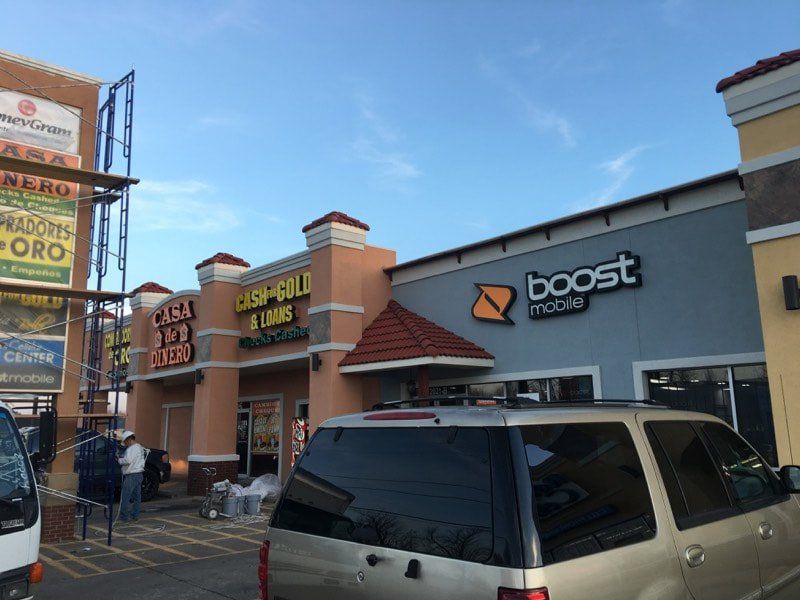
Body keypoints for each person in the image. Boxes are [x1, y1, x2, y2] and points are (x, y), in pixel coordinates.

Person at [117, 430, 148, 523]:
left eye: (125, 442)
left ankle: (124, 517)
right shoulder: (139, 447)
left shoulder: (132, 448)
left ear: (129, 439)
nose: (125, 444)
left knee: (125, 496)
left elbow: (128, 460)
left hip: (132, 475)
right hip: (139, 474)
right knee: (137, 497)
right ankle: (135, 516)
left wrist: (119, 459)